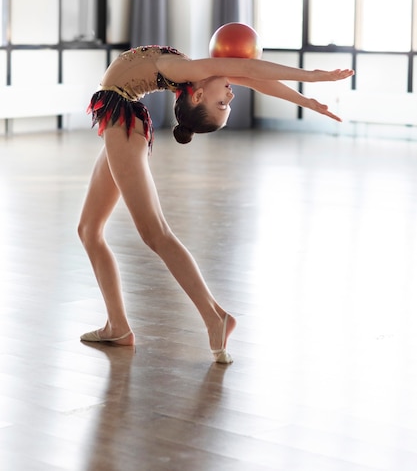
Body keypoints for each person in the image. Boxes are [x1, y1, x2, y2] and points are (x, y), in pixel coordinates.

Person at [78, 45, 354, 363]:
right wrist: (306, 97)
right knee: (89, 229)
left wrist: (312, 77)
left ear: (196, 97)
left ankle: (214, 317)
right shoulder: (195, 74)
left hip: (122, 123)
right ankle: (117, 326)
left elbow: (250, 71)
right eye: (226, 103)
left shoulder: (187, 73)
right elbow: (252, 77)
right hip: (121, 119)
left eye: (221, 104)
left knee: (155, 232)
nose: (231, 97)